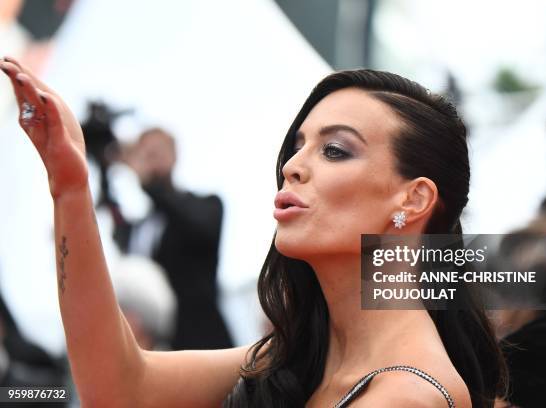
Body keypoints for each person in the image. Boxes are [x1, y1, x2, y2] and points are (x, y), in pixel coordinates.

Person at [1, 57, 506, 407]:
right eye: (298, 145)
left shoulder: (409, 395)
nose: (293, 166)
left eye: (335, 150)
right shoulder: (297, 358)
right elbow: (117, 387)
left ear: (412, 200)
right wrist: (70, 185)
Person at [112, 127, 233, 351]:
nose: (150, 163)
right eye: (144, 155)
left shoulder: (207, 205)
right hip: (156, 350)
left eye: (156, 153)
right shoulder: (139, 228)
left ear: (174, 155)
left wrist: (149, 185)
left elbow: (199, 229)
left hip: (205, 344)